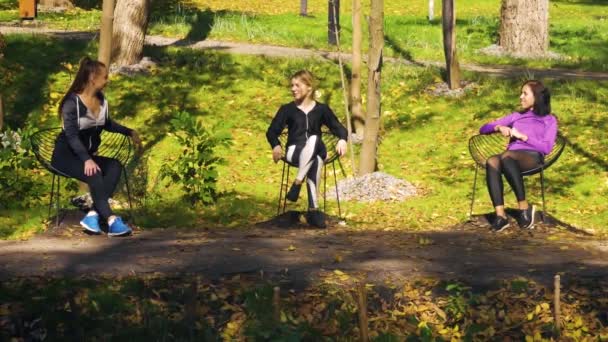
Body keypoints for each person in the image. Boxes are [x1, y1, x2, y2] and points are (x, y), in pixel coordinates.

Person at [51, 57, 141, 236]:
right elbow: (71, 136)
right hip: (65, 156)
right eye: (105, 77)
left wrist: (129, 132)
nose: (107, 80)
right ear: (93, 77)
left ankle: (92, 214)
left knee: (115, 166)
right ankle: (111, 220)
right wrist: (87, 160)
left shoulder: (101, 99)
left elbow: (107, 124)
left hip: (86, 157)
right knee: (95, 172)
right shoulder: (72, 103)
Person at [266, 70, 348, 228]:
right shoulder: (287, 109)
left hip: (316, 149)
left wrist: (343, 139)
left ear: (309, 87)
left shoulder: (322, 109)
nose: (293, 89)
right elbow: (271, 131)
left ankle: (297, 183)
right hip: (294, 151)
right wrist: (276, 145)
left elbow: (338, 128)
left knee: (315, 141)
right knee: (316, 159)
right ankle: (314, 210)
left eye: (297, 85)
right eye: (292, 85)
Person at [479, 80, 558, 232]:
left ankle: (524, 208)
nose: (521, 97)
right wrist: (498, 127)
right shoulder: (516, 116)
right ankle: (501, 217)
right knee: (492, 161)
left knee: (507, 156)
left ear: (536, 97)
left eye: (525, 94)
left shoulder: (549, 120)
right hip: (510, 157)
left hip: (532, 157)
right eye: (521, 93)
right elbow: (483, 128)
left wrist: (523, 137)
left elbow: (546, 147)